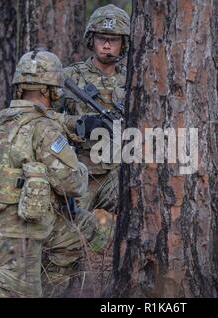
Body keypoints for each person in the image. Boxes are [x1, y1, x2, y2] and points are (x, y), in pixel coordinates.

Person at [0, 49, 95, 298]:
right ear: (52, 90)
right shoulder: (43, 128)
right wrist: (81, 166)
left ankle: (46, 283)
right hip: (18, 231)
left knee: (80, 228)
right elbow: (72, 183)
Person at [61, 4, 130, 215]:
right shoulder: (69, 77)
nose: (107, 45)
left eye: (114, 39)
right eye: (101, 38)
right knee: (69, 229)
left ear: (124, 43)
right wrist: (79, 124)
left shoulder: (133, 78)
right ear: (92, 40)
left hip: (120, 171)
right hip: (81, 170)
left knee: (139, 212)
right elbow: (43, 118)